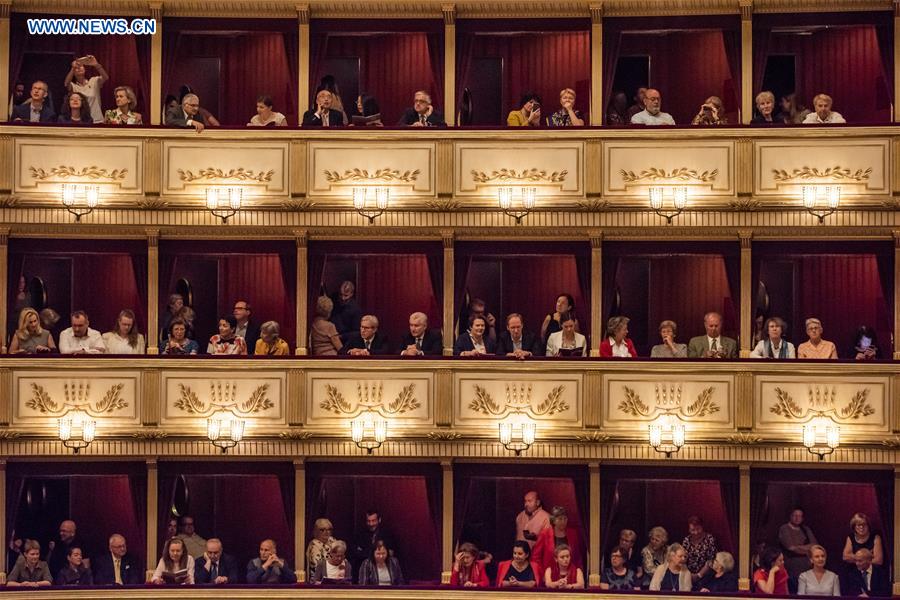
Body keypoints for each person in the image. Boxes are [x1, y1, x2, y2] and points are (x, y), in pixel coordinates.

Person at [531, 506, 583, 576]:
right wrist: (542, 574)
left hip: (570, 575)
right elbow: (536, 558)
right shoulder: (544, 534)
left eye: (565, 519)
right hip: (549, 576)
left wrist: (578, 573)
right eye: (560, 519)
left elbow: (577, 556)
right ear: (553, 520)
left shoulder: (572, 533)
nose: (563, 522)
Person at [778, 508, 817, 589]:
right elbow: (791, 547)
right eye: (795, 515)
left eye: (799, 516)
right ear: (790, 516)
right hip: (792, 564)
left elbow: (814, 546)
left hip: (807, 565)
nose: (797, 518)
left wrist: (798, 547)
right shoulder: (784, 528)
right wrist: (807, 549)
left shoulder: (805, 529)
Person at [63, 55, 107, 122]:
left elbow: (105, 77)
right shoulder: (73, 86)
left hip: (97, 120)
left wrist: (96, 64)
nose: (79, 68)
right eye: (76, 67)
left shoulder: (94, 81)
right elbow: (66, 84)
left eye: (81, 66)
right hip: (83, 121)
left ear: (84, 68)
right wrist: (73, 68)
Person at [682, 515, 716, 582]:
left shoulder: (709, 539)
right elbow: (683, 559)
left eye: (698, 529)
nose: (696, 532)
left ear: (702, 527)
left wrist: (699, 575)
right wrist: (688, 575)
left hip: (705, 576)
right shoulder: (686, 540)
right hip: (688, 576)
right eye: (693, 530)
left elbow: (710, 560)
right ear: (688, 529)